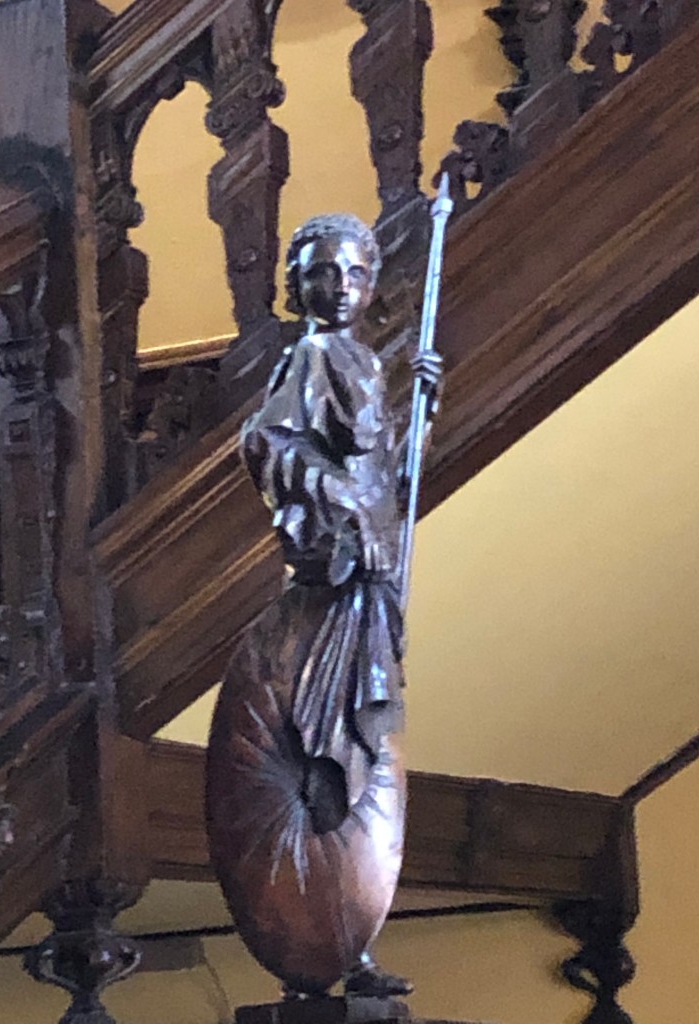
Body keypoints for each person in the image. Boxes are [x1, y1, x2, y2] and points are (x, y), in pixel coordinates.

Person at [206, 213, 441, 999]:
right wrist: (341, 500)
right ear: (296, 285)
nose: (338, 287)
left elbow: (381, 468)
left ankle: (347, 934)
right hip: (339, 569)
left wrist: (419, 415)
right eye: (321, 273)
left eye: (353, 274)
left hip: (371, 570)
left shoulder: (360, 358)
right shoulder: (311, 354)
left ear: (370, 286)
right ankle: (328, 936)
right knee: (335, 734)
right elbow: (270, 443)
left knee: (364, 741)